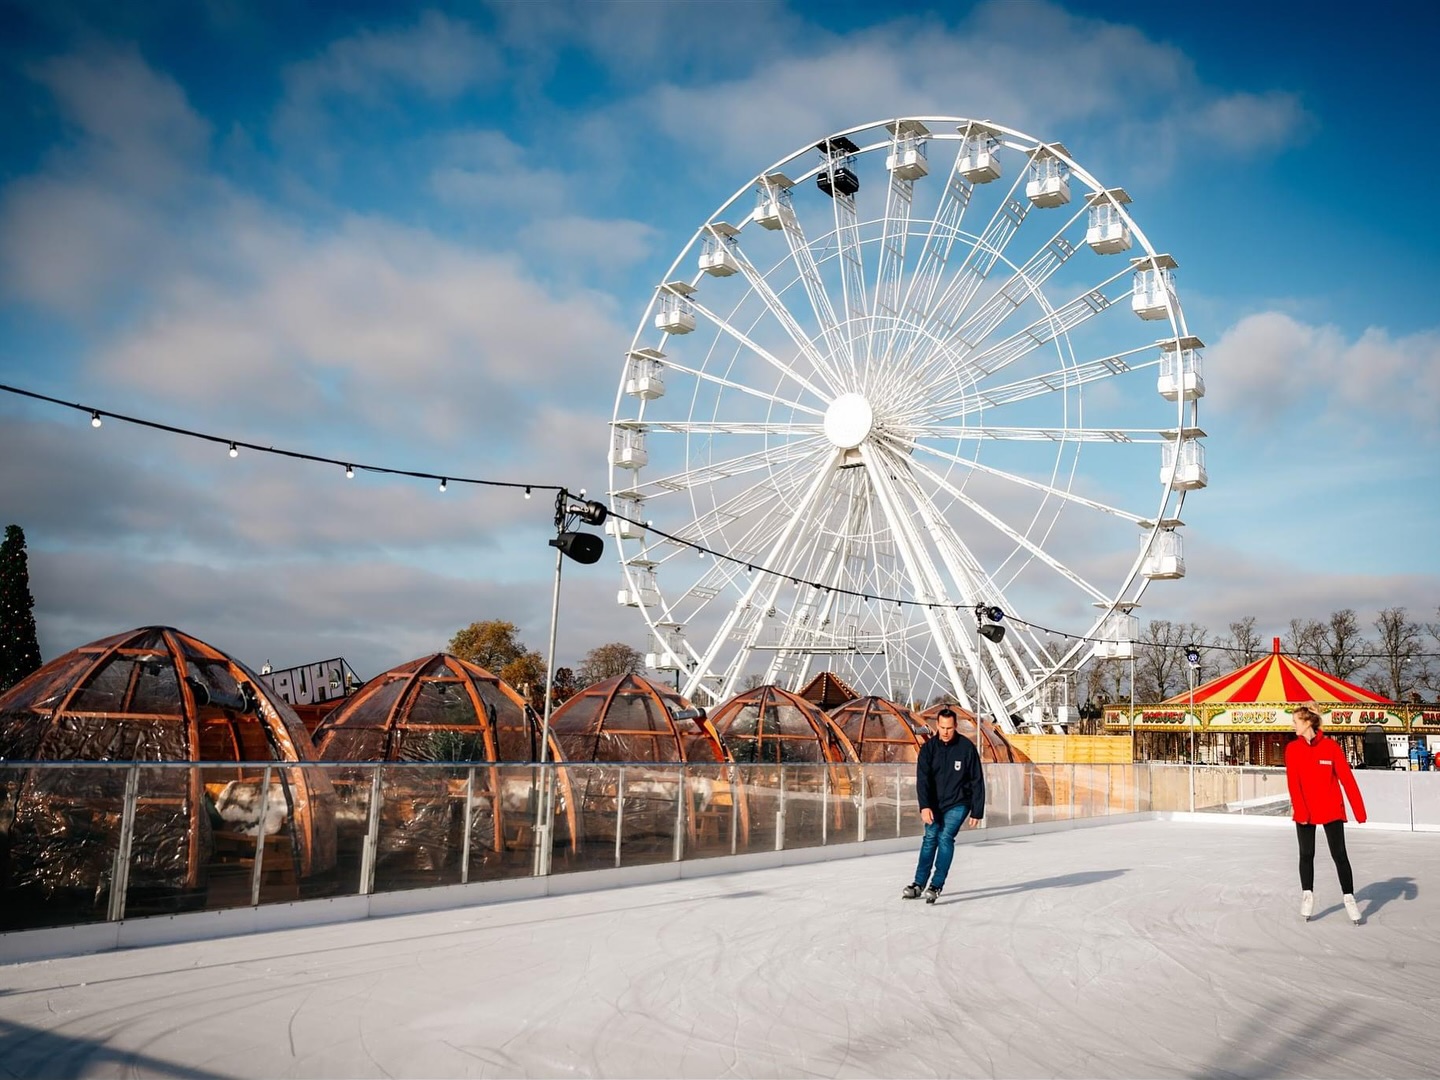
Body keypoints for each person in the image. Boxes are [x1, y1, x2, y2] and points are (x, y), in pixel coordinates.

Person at [1285, 703, 1366, 924]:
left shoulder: (1330, 747)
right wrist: (1300, 809)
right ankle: (1307, 895)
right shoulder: (1292, 749)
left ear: (1308, 722)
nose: (1293, 725)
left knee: (1339, 854)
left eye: (1296, 721)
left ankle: (1349, 898)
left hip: (1331, 808)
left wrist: (1359, 810)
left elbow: (1347, 779)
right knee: (1306, 854)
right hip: (1305, 809)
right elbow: (1293, 783)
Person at [902, 707, 986, 904]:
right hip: (934, 804)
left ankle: (936, 884)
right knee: (930, 837)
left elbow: (976, 779)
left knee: (945, 836)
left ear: (955, 726)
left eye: (949, 728)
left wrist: (977, 810)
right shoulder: (928, 750)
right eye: (942, 727)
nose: (946, 732)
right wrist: (924, 806)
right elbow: (922, 780)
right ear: (936, 726)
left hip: (959, 802)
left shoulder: (966, 748)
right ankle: (918, 883)